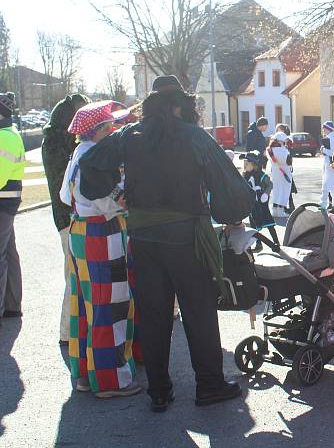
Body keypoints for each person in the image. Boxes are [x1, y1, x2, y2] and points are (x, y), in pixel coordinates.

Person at [78, 75, 254, 412]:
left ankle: (158, 390)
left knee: (153, 314)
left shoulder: (130, 135)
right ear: (179, 105)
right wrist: (232, 215)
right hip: (186, 238)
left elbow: (89, 167)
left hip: (143, 239)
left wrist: (118, 192)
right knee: (198, 312)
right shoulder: (194, 137)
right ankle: (209, 385)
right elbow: (229, 186)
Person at [59, 100, 141, 398]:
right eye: (110, 126)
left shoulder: (77, 154)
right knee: (110, 307)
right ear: (98, 130)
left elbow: (65, 196)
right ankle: (111, 380)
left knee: (84, 307)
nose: (115, 130)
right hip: (102, 232)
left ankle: (84, 374)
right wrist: (124, 200)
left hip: (80, 232)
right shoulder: (95, 156)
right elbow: (108, 200)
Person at [42, 93, 88, 344]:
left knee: (75, 275)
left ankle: (71, 331)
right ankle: (67, 333)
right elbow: (65, 187)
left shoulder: (56, 140)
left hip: (68, 216)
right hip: (68, 217)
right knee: (74, 276)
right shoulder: (58, 144)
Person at [0, 92, 24, 324]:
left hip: (3, 201)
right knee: (8, 252)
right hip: (7, 201)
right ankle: (11, 306)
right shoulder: (8, 133)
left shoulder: (5, 137)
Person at [241, 151, 280, 246]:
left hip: (261, 202)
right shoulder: (244, 175)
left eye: (247, 163)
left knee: (268, 221)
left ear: (254, 165)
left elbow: (270, 185)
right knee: (254, 225)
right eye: (244, 163)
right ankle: (258, 244)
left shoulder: (261, 175)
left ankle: (276, 242)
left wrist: (266, 194)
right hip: (252, 204)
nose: (245, 165)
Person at [267, 133, 293, 218]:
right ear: (281, 141)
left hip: (275, 172)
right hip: (285, 173)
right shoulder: (284, 151)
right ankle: (281, 210)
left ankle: (275, 210)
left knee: (276, 190)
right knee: (284, 190)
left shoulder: (270, 150)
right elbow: (289, 162)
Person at [319, 121, 334, 214]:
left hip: (330, 165)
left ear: (328, 128)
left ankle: (322, 205)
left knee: (325, 185)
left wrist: (323, 149)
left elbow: (332, 153)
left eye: (324, 128)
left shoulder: (330, 138)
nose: (323, 130)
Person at [275, 123, 298, 211]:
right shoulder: (276, 141)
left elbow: (290, 153)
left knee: (287, 185)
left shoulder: (288, 140)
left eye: (280, 130)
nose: (278, 132)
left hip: (286, 166)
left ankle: (289, 205)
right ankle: (283, 206)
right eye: (277, 130)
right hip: (279, 167)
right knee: (282, 186)